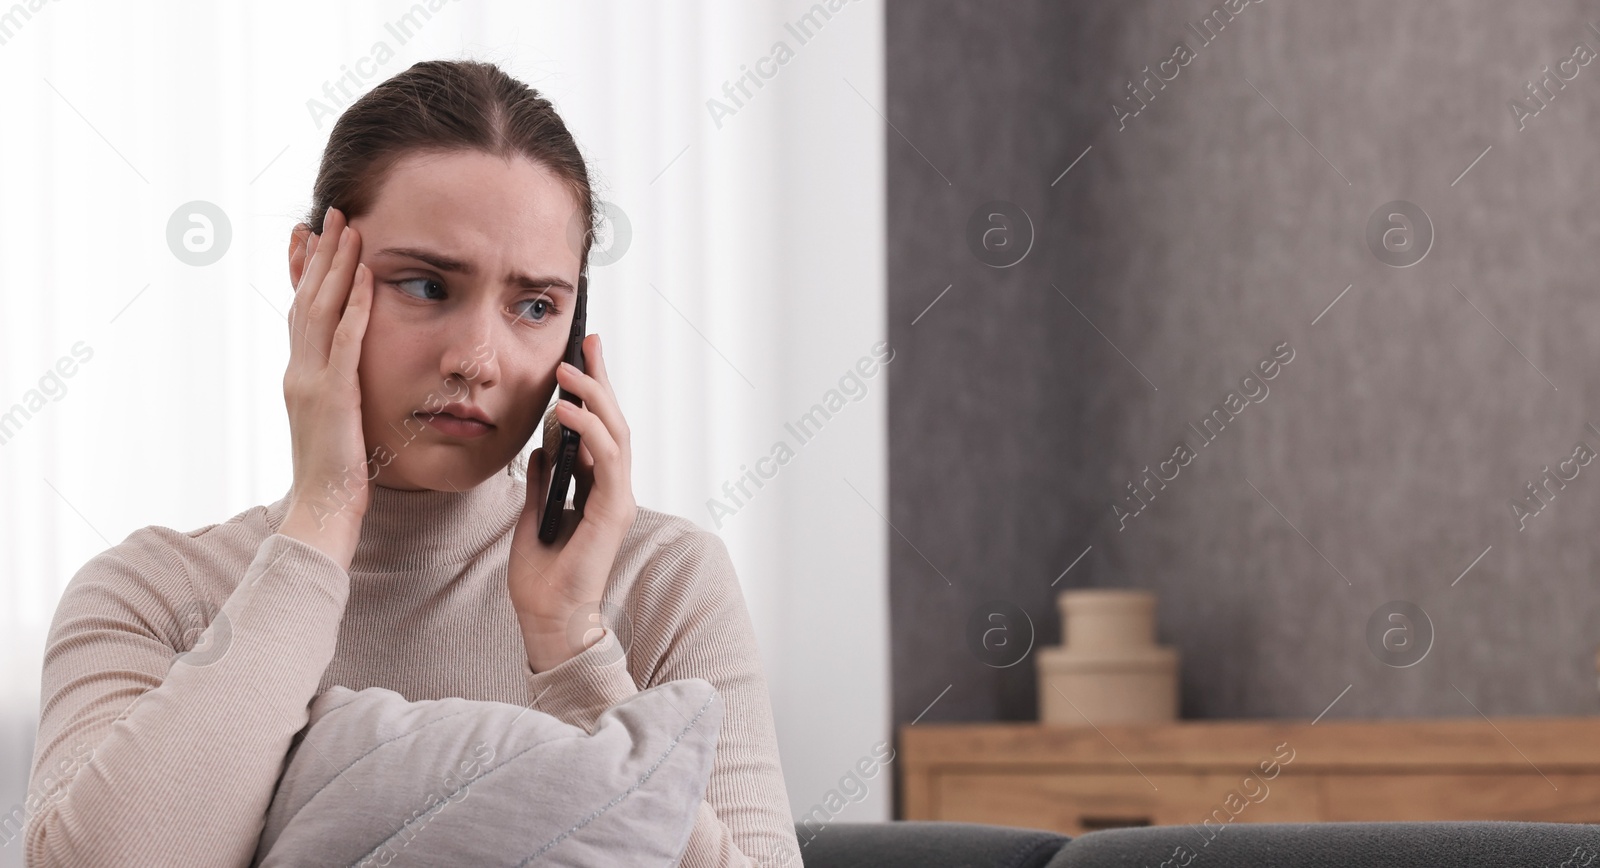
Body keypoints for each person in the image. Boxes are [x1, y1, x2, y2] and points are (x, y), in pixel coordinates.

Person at [23, 58, 800, 868]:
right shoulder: (153, 595)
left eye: (536, 306)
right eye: (427, 285)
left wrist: (572, 646)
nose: (477, 360)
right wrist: (322, 520)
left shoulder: (663, 580)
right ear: (309, 270)